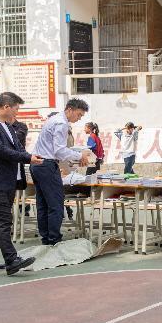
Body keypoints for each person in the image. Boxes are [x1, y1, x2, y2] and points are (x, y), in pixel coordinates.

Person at [0, 92, 42, 275]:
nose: (16, 113)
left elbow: (18, 148)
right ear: (6, 107)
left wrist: (31, 156)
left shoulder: (7, 126)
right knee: (4, 220)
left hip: (9, 181)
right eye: (16, 109)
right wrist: (28, 158)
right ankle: (11, 260)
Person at [31, 98, 92, 245]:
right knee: (56, 204)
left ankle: (46, 238)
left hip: (37, 164)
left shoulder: (53, 120)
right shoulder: (62, 123)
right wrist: (80, 156)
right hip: (47, 165)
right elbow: (59, 151)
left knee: (43, 204)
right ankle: (54, 239)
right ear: (70, 110)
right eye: (79, 114)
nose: (79, 118)